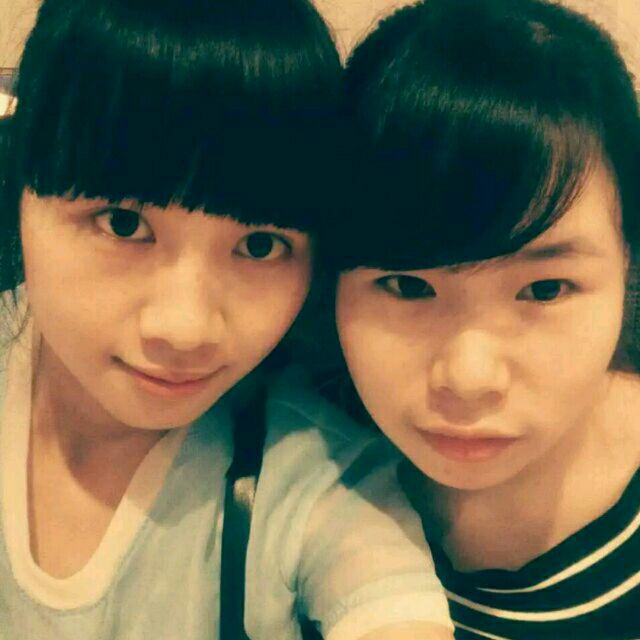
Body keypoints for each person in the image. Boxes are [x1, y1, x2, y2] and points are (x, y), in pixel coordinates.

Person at [0, 0, 455, 638]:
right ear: (21, 187)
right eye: (123, 224)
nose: (186, 329)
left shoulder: (317, 479)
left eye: (260, 245)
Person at [328, 0, 640, 637]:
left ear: (628, 265)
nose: (469, 379)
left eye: (545, 289)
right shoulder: (286, 461)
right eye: (407, 285)